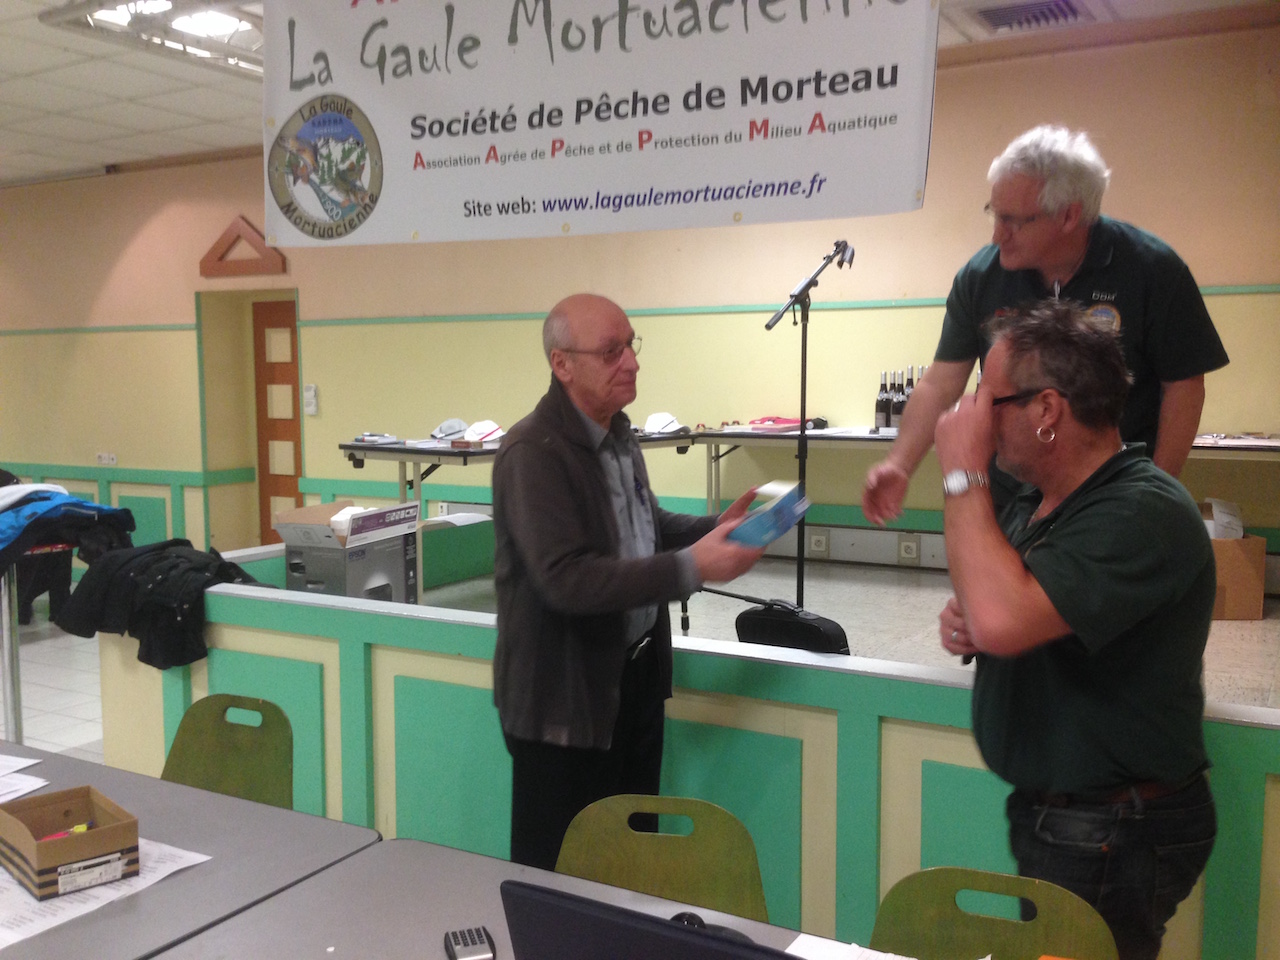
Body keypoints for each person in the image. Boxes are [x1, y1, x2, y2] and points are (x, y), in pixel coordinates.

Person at [934, 299, 1217, 960]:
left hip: (1112, 826)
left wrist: (962, 474)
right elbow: (1003, 607)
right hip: (1067, 819)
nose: (975, 417)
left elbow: (1004, 619)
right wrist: (971, 615)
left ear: (1047, 410)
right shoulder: (1038, 503)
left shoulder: (1141, 510)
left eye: (989, 400)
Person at [492, 292, 766, 870]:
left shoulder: (617, 434)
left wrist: (716, 529)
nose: (632, 362)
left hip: (634, 683)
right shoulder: (532, 452)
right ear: (562, 364)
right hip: (564, 707)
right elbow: (566, 579)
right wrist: (694, 566)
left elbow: (644, 525)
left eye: (631, 345)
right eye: (611, 351)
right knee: (562, 877)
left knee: (633, 864)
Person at [863, 125, 1228, 523]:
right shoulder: (981, 276)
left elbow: (1184, 387)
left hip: (1114, 496)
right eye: (994, 214)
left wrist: (1155, 492)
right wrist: (899, 463)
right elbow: (941, 382)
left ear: (1069, 215)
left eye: (1012, 220)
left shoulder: (1152, 270)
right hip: (1010, 497)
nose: (997, 234)